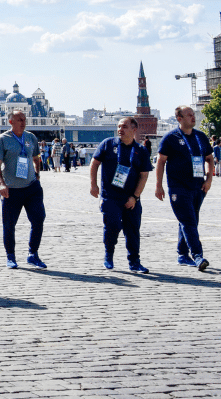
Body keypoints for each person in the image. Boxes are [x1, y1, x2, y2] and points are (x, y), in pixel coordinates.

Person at [154, 105, 214, 271]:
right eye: (189, 115)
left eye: (193, 114)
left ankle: (182, 254)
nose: (193, 117)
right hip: (178, 187)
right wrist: (158, 185)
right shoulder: (170, 138)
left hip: (198, 186)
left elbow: (209, 158)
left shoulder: (200, 136)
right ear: (179, 118)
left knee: (190, 220)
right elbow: (161, 161)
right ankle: (198, 256)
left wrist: (209, 179)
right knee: (188, 220)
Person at [90, 117, 152, 273]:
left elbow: (144, 175)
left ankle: (134, 262)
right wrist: (93, 185)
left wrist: (135, 197)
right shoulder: (108, 144)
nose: (120, 129)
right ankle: (108, 255)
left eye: (124, 126)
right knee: (112, 226)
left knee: (133, 230)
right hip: (110, 196)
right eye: (118, 126)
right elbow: (95, 163)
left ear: (134, 130)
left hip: (131, 198)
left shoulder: (141, 150)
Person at [0, 111, 48, 269]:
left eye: (24, 119)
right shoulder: (3, 139)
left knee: (38, 219)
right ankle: (10, 256)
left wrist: (37, 175)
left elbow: (36, 158)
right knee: (9, 224)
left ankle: (33, 254)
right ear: (11, 121)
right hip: (11, 190)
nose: (23, 122)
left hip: (32, 188)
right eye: (19, 120)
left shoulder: (31, 137)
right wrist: (1, 184)